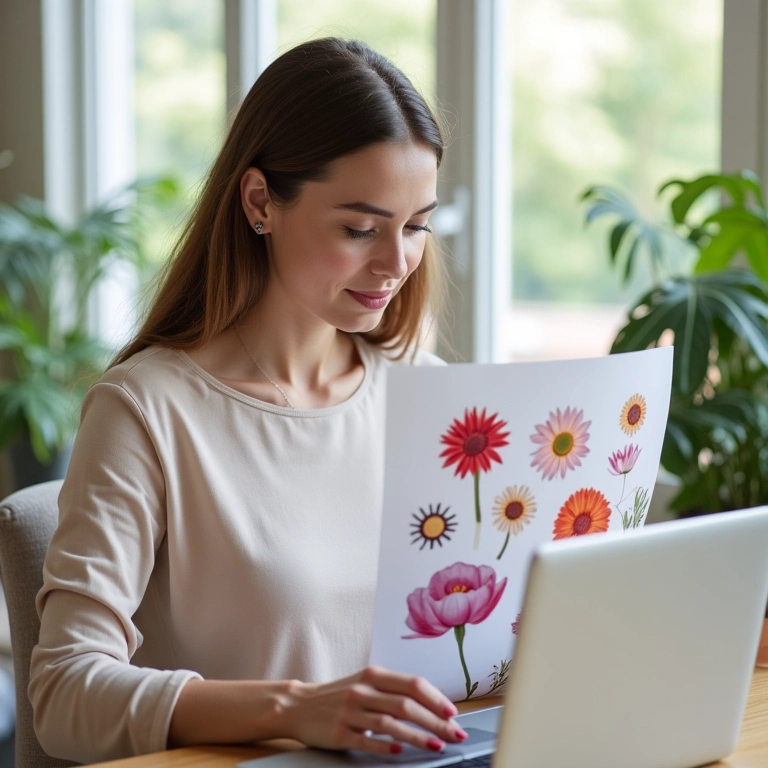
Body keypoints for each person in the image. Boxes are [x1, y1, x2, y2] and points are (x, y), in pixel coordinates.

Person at [28, 38, 469, 764]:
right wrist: (297, 709)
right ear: (261, 201)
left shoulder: (425, 389)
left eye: (417, 226)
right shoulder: (147, 410)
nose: (397, 263)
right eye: (360, 228)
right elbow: (64, 693)